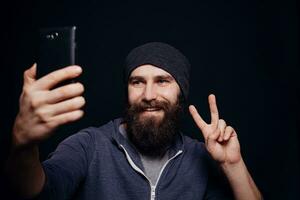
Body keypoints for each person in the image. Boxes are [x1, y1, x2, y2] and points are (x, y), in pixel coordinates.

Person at [6, 42, 262, 199]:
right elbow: (35, 193)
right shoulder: (90, 145)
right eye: (137, 82)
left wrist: (233, 164)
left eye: (162, 81)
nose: (149, 95)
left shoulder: (200, 157)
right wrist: (24, 146)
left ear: (180, 92)